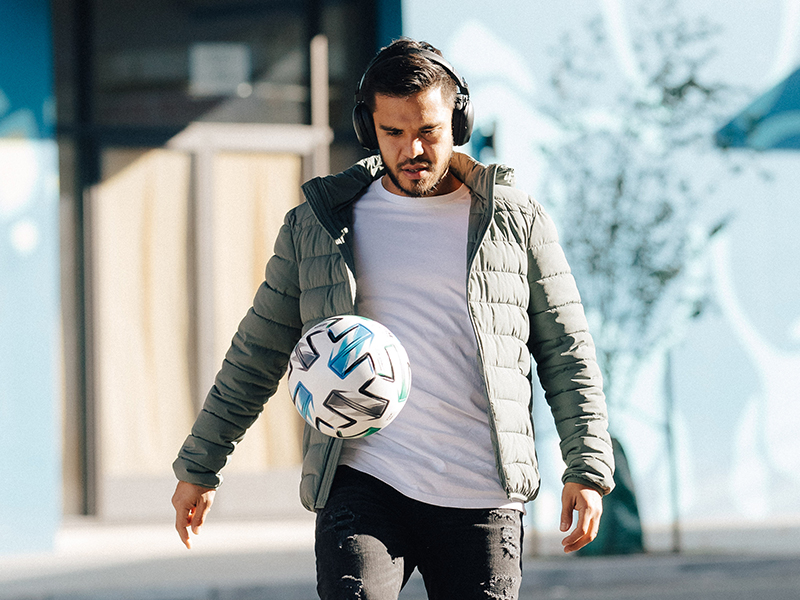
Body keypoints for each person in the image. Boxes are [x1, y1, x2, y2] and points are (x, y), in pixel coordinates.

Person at [171, 38, 615, 600]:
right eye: (393, 133)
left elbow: (566, 350)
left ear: (459, 122)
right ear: (369, 129)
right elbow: (257, 352)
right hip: (363, 482)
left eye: (428, 131)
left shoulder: (514, 222)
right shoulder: (319, 225)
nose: (412, 150)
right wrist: (200, 464)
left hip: (481, 493)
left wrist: (586, 468)